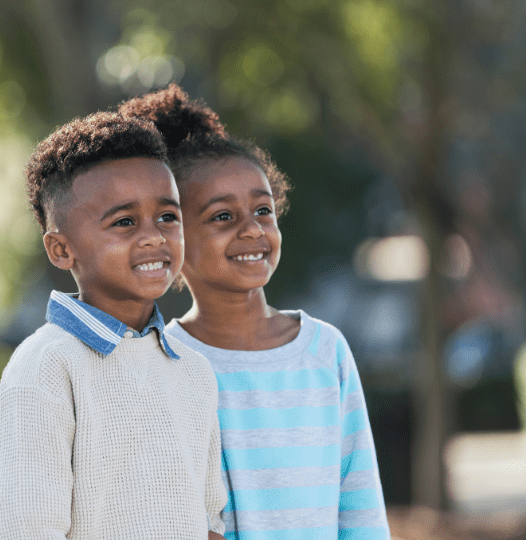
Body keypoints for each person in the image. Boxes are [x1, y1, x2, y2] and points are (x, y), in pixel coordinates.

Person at [120, 85, 391, 540]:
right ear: (175, 239)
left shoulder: (326, 352)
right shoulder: (158, 361)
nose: (252, 229)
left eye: (263, 210)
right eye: (222, 217)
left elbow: (359, 502)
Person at [0, 111, 227, 540]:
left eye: (168, 217)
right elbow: (26, 528)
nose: (153, 236)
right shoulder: (47, 366)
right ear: (61, 249)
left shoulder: (194, 370)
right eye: (124, 222)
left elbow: (208, 522)